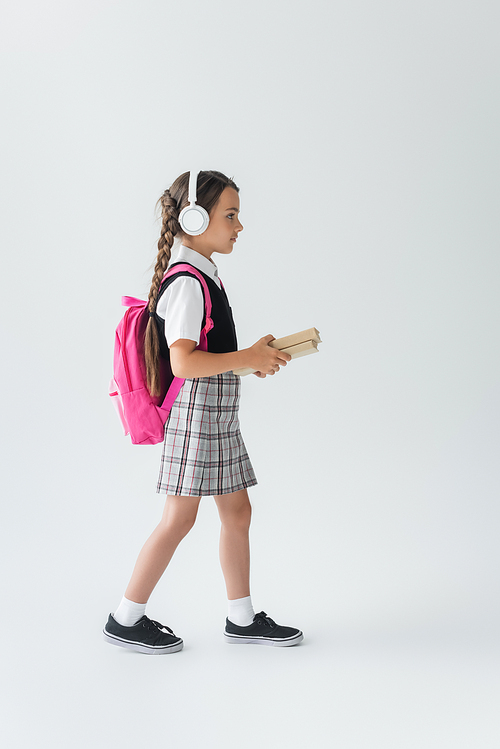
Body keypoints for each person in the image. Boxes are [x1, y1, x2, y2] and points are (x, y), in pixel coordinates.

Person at [103, 170, 303, 654]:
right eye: (230, 215)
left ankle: (242, 617)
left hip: (214, 412)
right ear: (195, 218)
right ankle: (126, 618)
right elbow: (184, 363)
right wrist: (247, 360)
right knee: (179, 518)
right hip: (196, 414)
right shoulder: (189, 283)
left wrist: (249, 362)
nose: (239, 226)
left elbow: (204, 356)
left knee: (237, 510)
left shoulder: (201, 274)